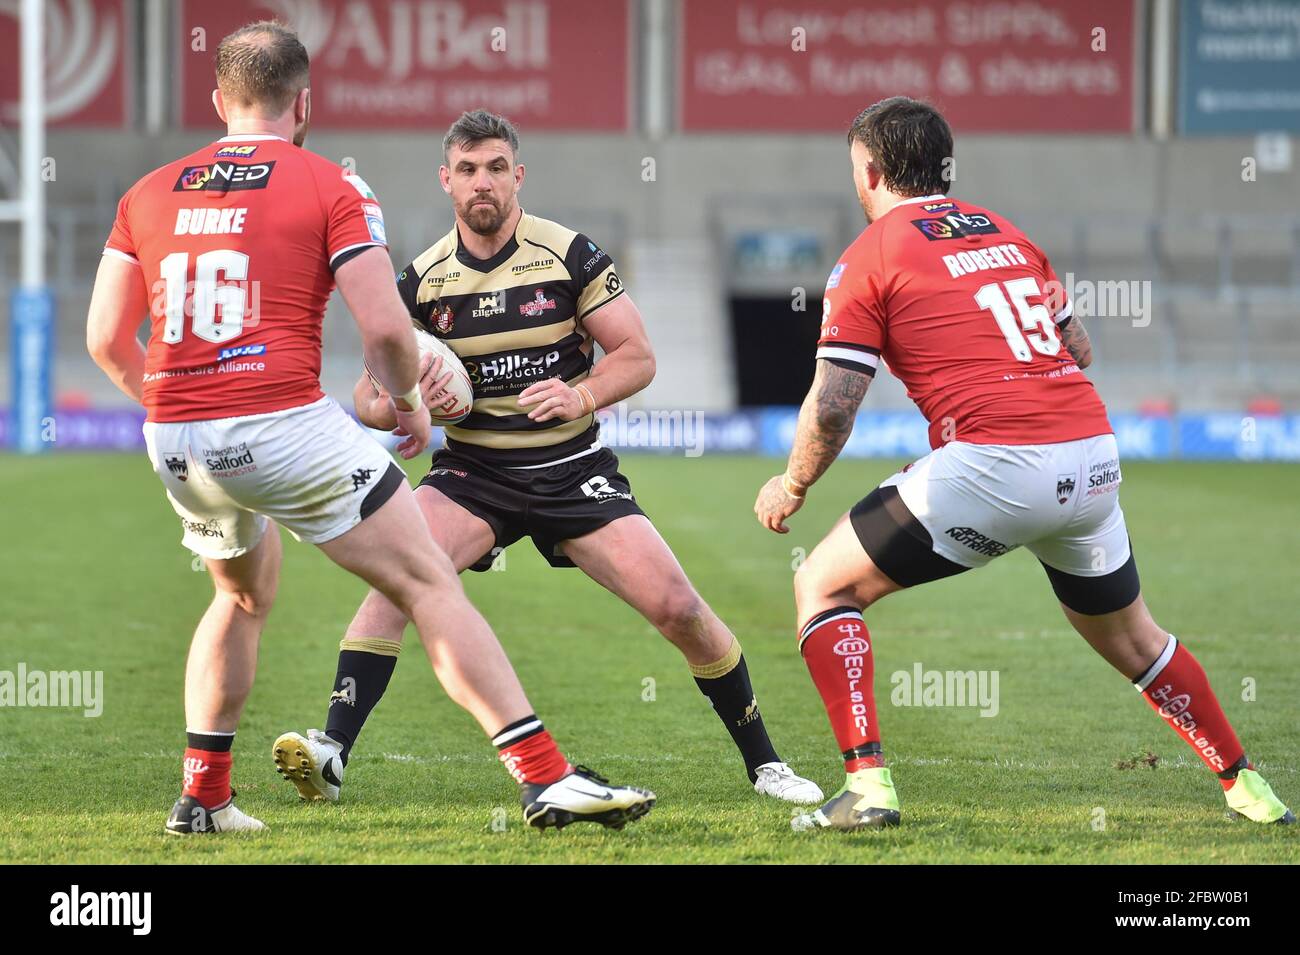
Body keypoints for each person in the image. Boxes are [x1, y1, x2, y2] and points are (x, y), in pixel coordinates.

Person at [86, 21, 653, 834]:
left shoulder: (147, 191)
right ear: (303, 104)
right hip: (283, 423)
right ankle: (545, 777)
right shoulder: (332, 186)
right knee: (426, 578)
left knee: (240, 597)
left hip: (176, 435)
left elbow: (105, 340)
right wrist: (413, 407)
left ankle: (204, 795)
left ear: (218, 101)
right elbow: (387, 332)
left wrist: (181, 412)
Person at [753, 96, 1294, 831]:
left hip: (995, 465)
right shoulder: (1007, 234)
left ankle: (868, 789)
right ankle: (1247, 786)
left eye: (856, 169)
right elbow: (1079, 349)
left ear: (871, 170)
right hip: (1093, 459)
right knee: (1137, 639)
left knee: (822, 585)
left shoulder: (870, 255)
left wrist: (792, 484)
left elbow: (834, 405)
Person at [274, 109, 821, 807]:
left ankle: (766, 764)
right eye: (468, 170)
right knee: (396, 580)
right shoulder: (422, 283)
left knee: (679, 606)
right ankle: (331, 752)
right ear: (447, 180)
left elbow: (638, 357)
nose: (483, 183)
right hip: (474, 475)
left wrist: (581, 393)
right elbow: (369, 399)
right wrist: (413, 394)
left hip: (573, 472)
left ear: (517, 175)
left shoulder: (570, 255)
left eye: (497, 168)